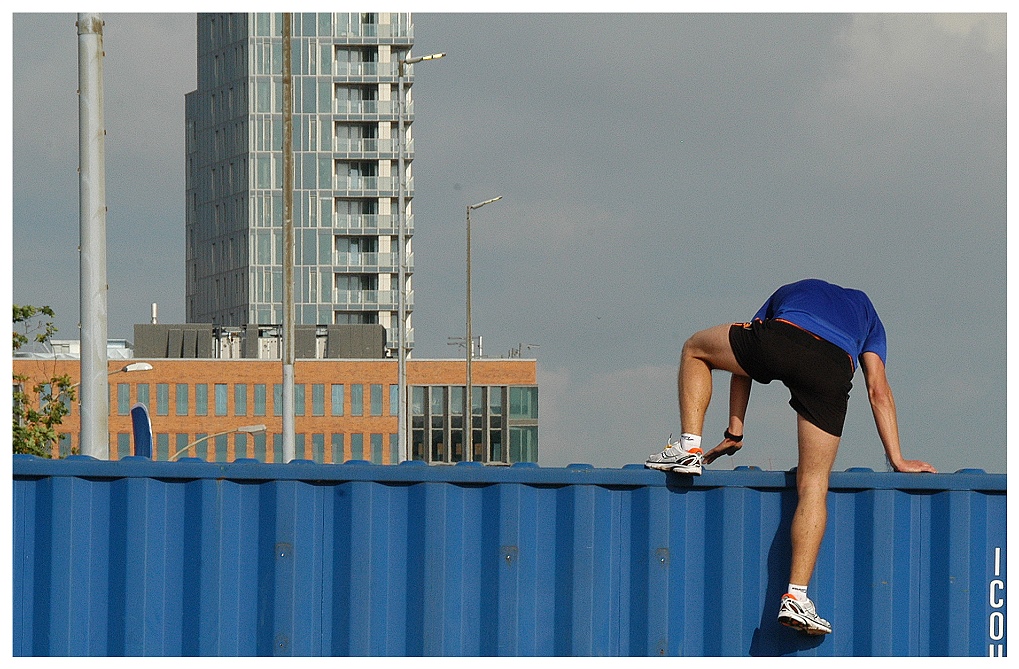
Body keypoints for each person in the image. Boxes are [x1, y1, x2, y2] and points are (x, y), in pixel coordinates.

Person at [645, 278, 936, 636]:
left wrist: (735, 429)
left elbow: (744, 364)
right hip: (833, 365)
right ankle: (796, 597)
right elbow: (878, 388)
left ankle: (688, 448)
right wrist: (898, 458)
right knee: (814, 484)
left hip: (784, 337)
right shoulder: (867, 310)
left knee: (695, 348)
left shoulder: (793, 289)